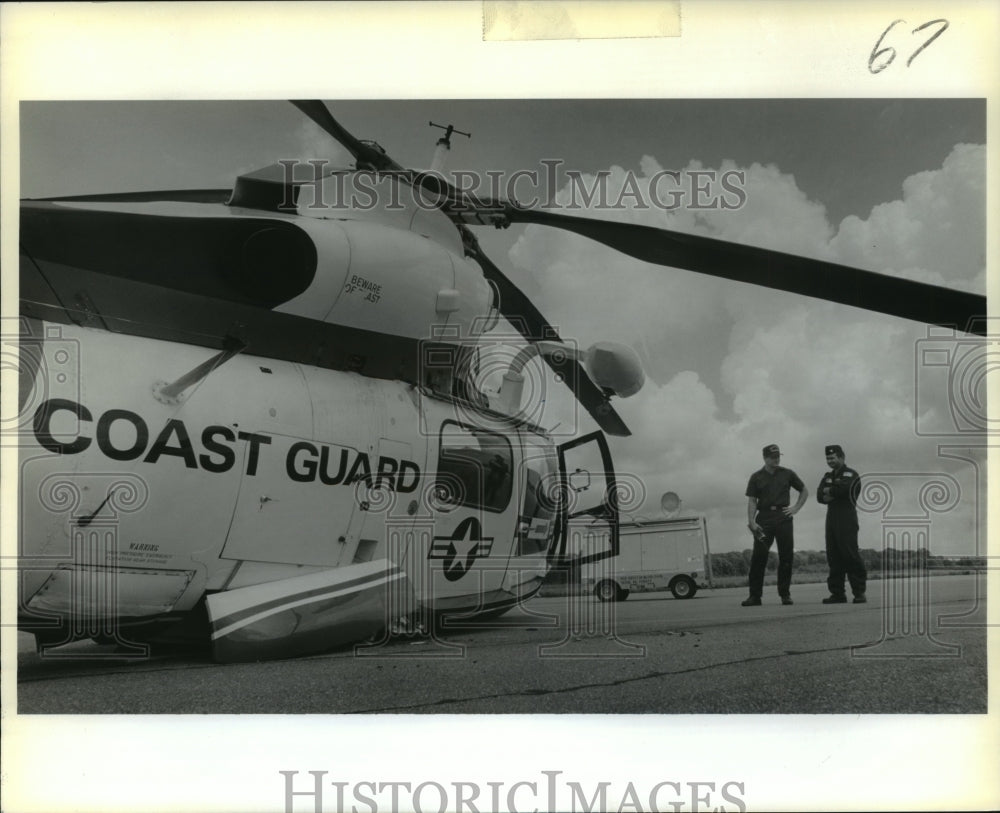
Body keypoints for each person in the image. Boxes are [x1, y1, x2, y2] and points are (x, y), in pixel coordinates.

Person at [742, 444, 809, 606]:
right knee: (759, 557)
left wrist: (795, 508)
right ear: (765, 458)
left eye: (778, 456)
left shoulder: (788, 473)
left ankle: (785, 594)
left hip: (783, 516)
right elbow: (752, 501)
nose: (776, 459)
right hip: (763, 518)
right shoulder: (756, 476)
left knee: (786, 556)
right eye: (773, 457)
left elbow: (804, 490)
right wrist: (751, 522)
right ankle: (755, 596)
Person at [818, 444, 867, 603]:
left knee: (850, 555)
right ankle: (837, 594)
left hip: (847, 518)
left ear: (841, 457)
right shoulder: (827, 476)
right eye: (827, 458)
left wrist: (830, 491)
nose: (830, 461)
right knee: (833, 557)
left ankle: (859, 593)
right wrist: (834, 491)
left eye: (832, 458)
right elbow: (819, 496)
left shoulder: (851, 474)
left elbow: (846, 490)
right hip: (831, 518)